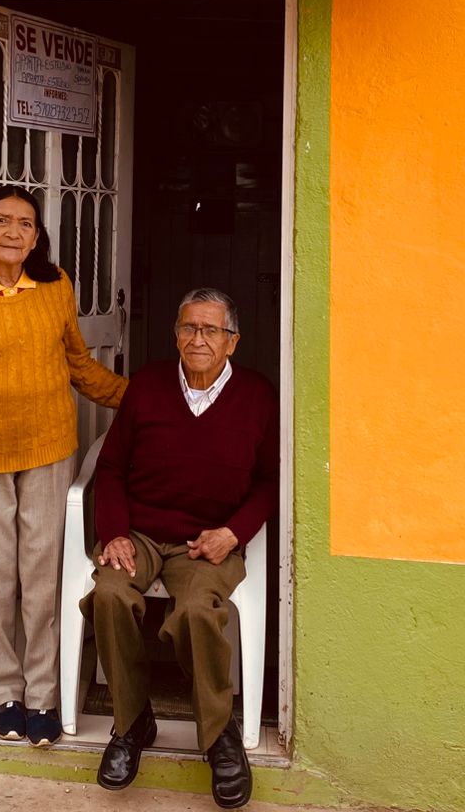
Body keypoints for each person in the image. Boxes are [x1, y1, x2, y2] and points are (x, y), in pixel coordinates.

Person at [0, 184, 127, 748]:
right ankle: (4, 693)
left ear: (37, 237)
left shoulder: (56, 287)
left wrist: (140, 397)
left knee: (41, 581)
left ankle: (42, 694)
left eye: (26, 224)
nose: (14, 232)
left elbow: (79, 366)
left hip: (48, 454)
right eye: (2, 221)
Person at [84, 287, 276, 809]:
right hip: (141, 534)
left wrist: (233, 532)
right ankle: (131, 723)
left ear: (232, 341)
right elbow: (111, 467)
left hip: (209, 539)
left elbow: (269, 482)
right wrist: (115, 531)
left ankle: (218, 734)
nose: (198, 339)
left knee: (196, 610)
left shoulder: (258, 396)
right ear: (175, 335)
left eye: (211, 330)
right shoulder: (147, 386)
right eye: (189, 328)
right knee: (109, 595)